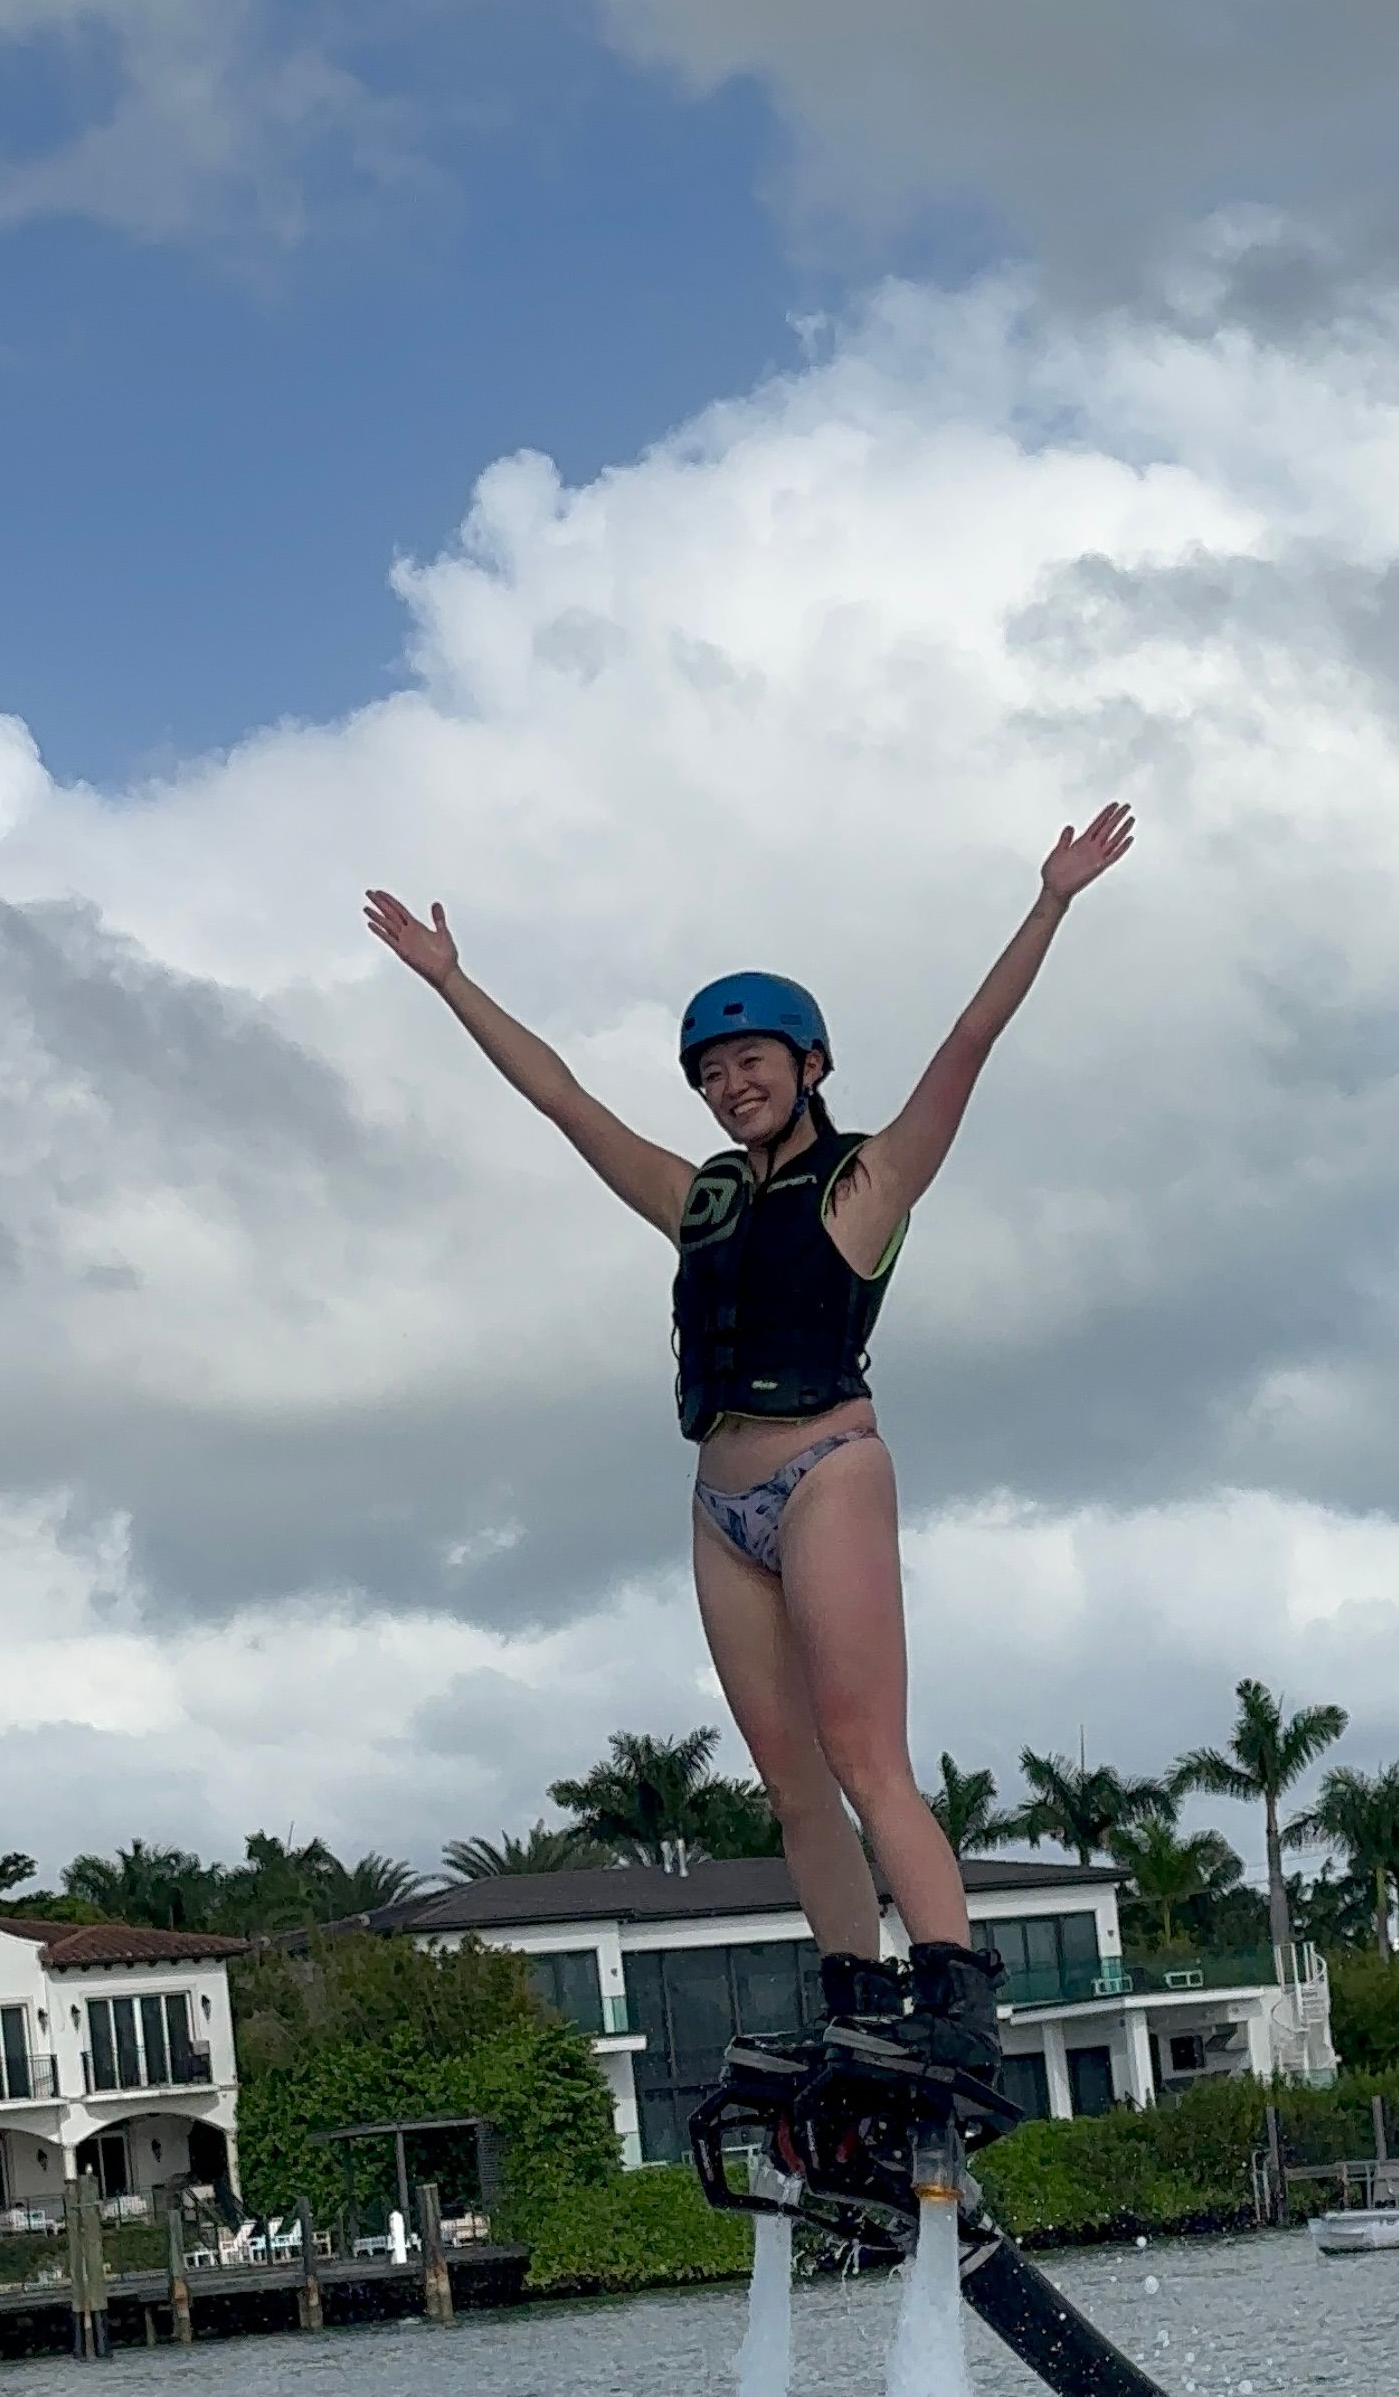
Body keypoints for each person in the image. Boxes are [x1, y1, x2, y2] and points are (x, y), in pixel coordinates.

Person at [363, 807, 1135, 2083]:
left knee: (861, 1753)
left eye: (751, 1061)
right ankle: (857, 1996)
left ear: (811, 1063)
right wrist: (455, 985)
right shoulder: (699, 1200)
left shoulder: (867, 1184)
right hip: (718, 1505)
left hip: (828, 1469)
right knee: (789, 1786)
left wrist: (1048, 902)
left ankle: (953, 2000)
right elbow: (563, 1100)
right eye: (711, 1074)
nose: (730, 1085)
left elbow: (972, 1040)